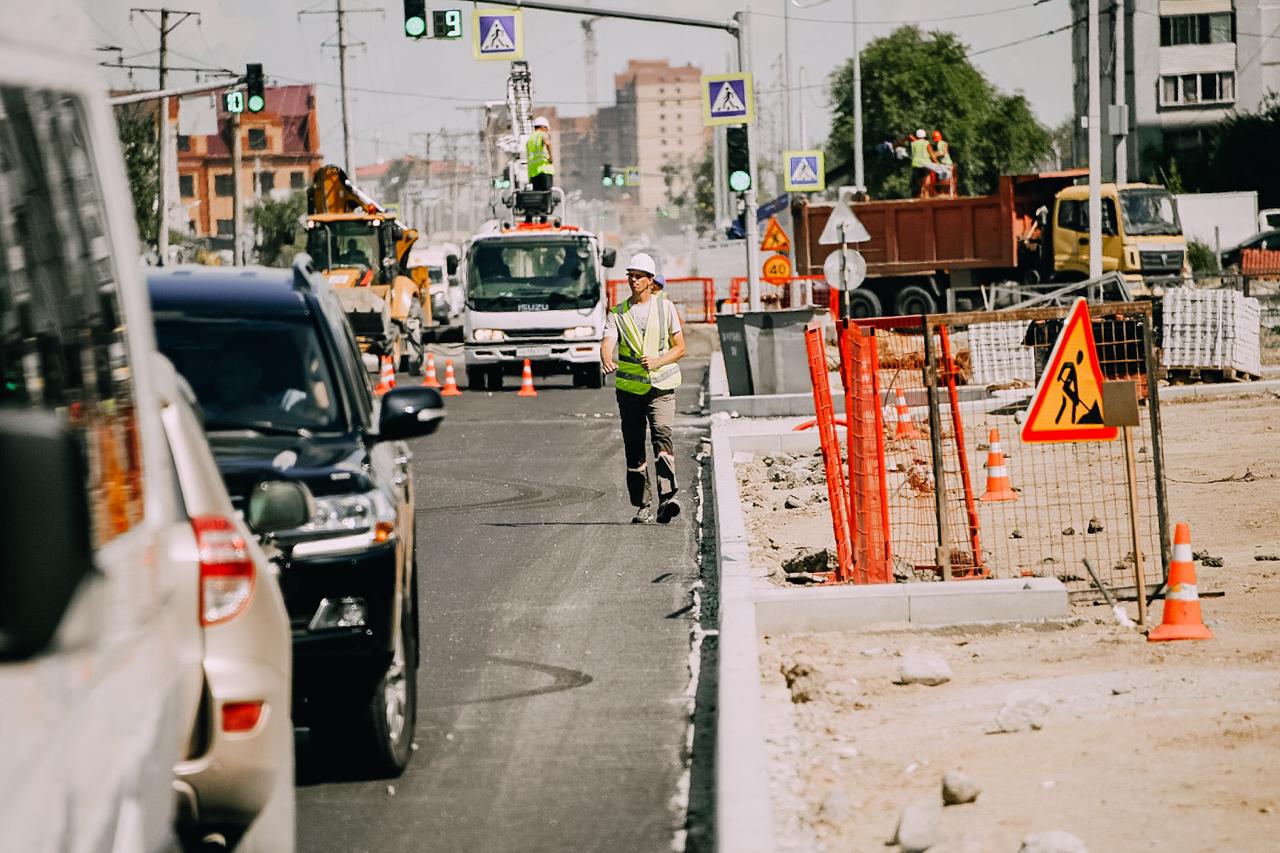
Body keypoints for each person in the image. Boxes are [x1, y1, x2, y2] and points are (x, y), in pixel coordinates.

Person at [602, 252, 687, 524]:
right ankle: (643, 505)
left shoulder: (665, 308)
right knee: (634, 446)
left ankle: (667, 498)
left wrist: (659, 361)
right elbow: (607, 342)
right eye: (630, 275)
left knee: (663, 440)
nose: (633, 280)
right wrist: (606, 358)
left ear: (651, 280)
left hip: (661, 387)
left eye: (638, 276)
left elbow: (680, 347)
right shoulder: (618, 313)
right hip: (629, 392)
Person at [527, 116, 555, 192]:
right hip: (544, 170)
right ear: (544, 127)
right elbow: (547, 143)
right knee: (546, 196)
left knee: (538, 196)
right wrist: (550, 157)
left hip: (533, 174)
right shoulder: (542, 134)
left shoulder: (530, 139)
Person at [909, 129, 932, 198]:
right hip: (925, 164)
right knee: (927, 180)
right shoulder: (926, 143)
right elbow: (931, 154)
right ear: (924, 135)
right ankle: (926, 195)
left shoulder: (913, 144)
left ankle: (921, 194)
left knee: (920, 181)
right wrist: (937, 163)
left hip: (916, 165)